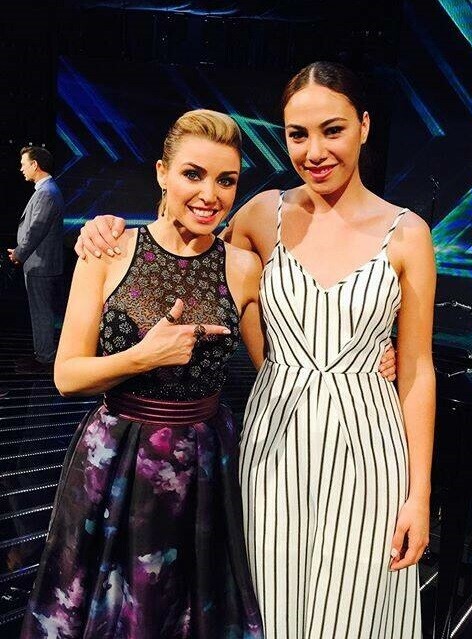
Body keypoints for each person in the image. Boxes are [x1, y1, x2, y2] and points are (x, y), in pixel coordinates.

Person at [75, 61, 434, 638]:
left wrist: (419, 495)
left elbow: (417, 368)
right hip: (271, 444)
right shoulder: (263, 214)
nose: (315, 151)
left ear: (364, 126)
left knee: (356, 610)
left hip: (369, 445)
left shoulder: (409, 233)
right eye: (298, 134)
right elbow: (186, 248)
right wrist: (105, 229)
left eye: (333, 130)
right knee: (263, 607)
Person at [21, 110, 264, 638]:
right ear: (161, 173)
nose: (210, 195)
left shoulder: (245, 268)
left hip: (205, 463)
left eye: (226, 180)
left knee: (185, 608)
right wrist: (145, 356)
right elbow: (67, 375)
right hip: (117, 458)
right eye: (193, 174)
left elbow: (281, 365)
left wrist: (376, 355)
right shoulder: (108, 251)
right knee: (113, 607)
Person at [9, 146, 64, 373]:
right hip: (39, 263)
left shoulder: (46, 192)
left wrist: (19, 253)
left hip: (41, 265)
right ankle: (42, 354)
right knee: (40, 312)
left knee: (41, 313)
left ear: (35, 165)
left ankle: (45, 358)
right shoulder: (46, 190)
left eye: (24, 164)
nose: (21, 168)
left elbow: (36, 230)